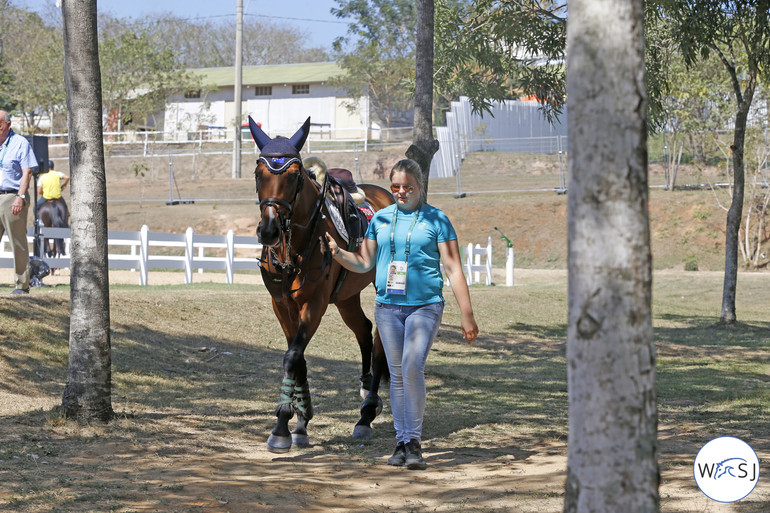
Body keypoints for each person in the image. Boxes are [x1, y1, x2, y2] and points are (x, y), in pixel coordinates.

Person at [324, 158, 479, 470]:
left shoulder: (437, 219)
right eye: (395, 186)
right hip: (388, 307)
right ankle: (402, 442)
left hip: (425, 305)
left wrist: (467, 313)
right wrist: (339, 253)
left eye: (408, 186)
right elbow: (364, 263)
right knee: (396, 374)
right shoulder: (380, 220)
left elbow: (453, 269)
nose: (401, 192)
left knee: (411, 368)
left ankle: (414, 440)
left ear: (419, 187)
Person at [0, 110, 37, 295]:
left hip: (12, 196)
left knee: (18, 243)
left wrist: (20, 197)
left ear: (7, 125)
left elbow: (27, 172)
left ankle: (22, 285)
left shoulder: (20, 143)